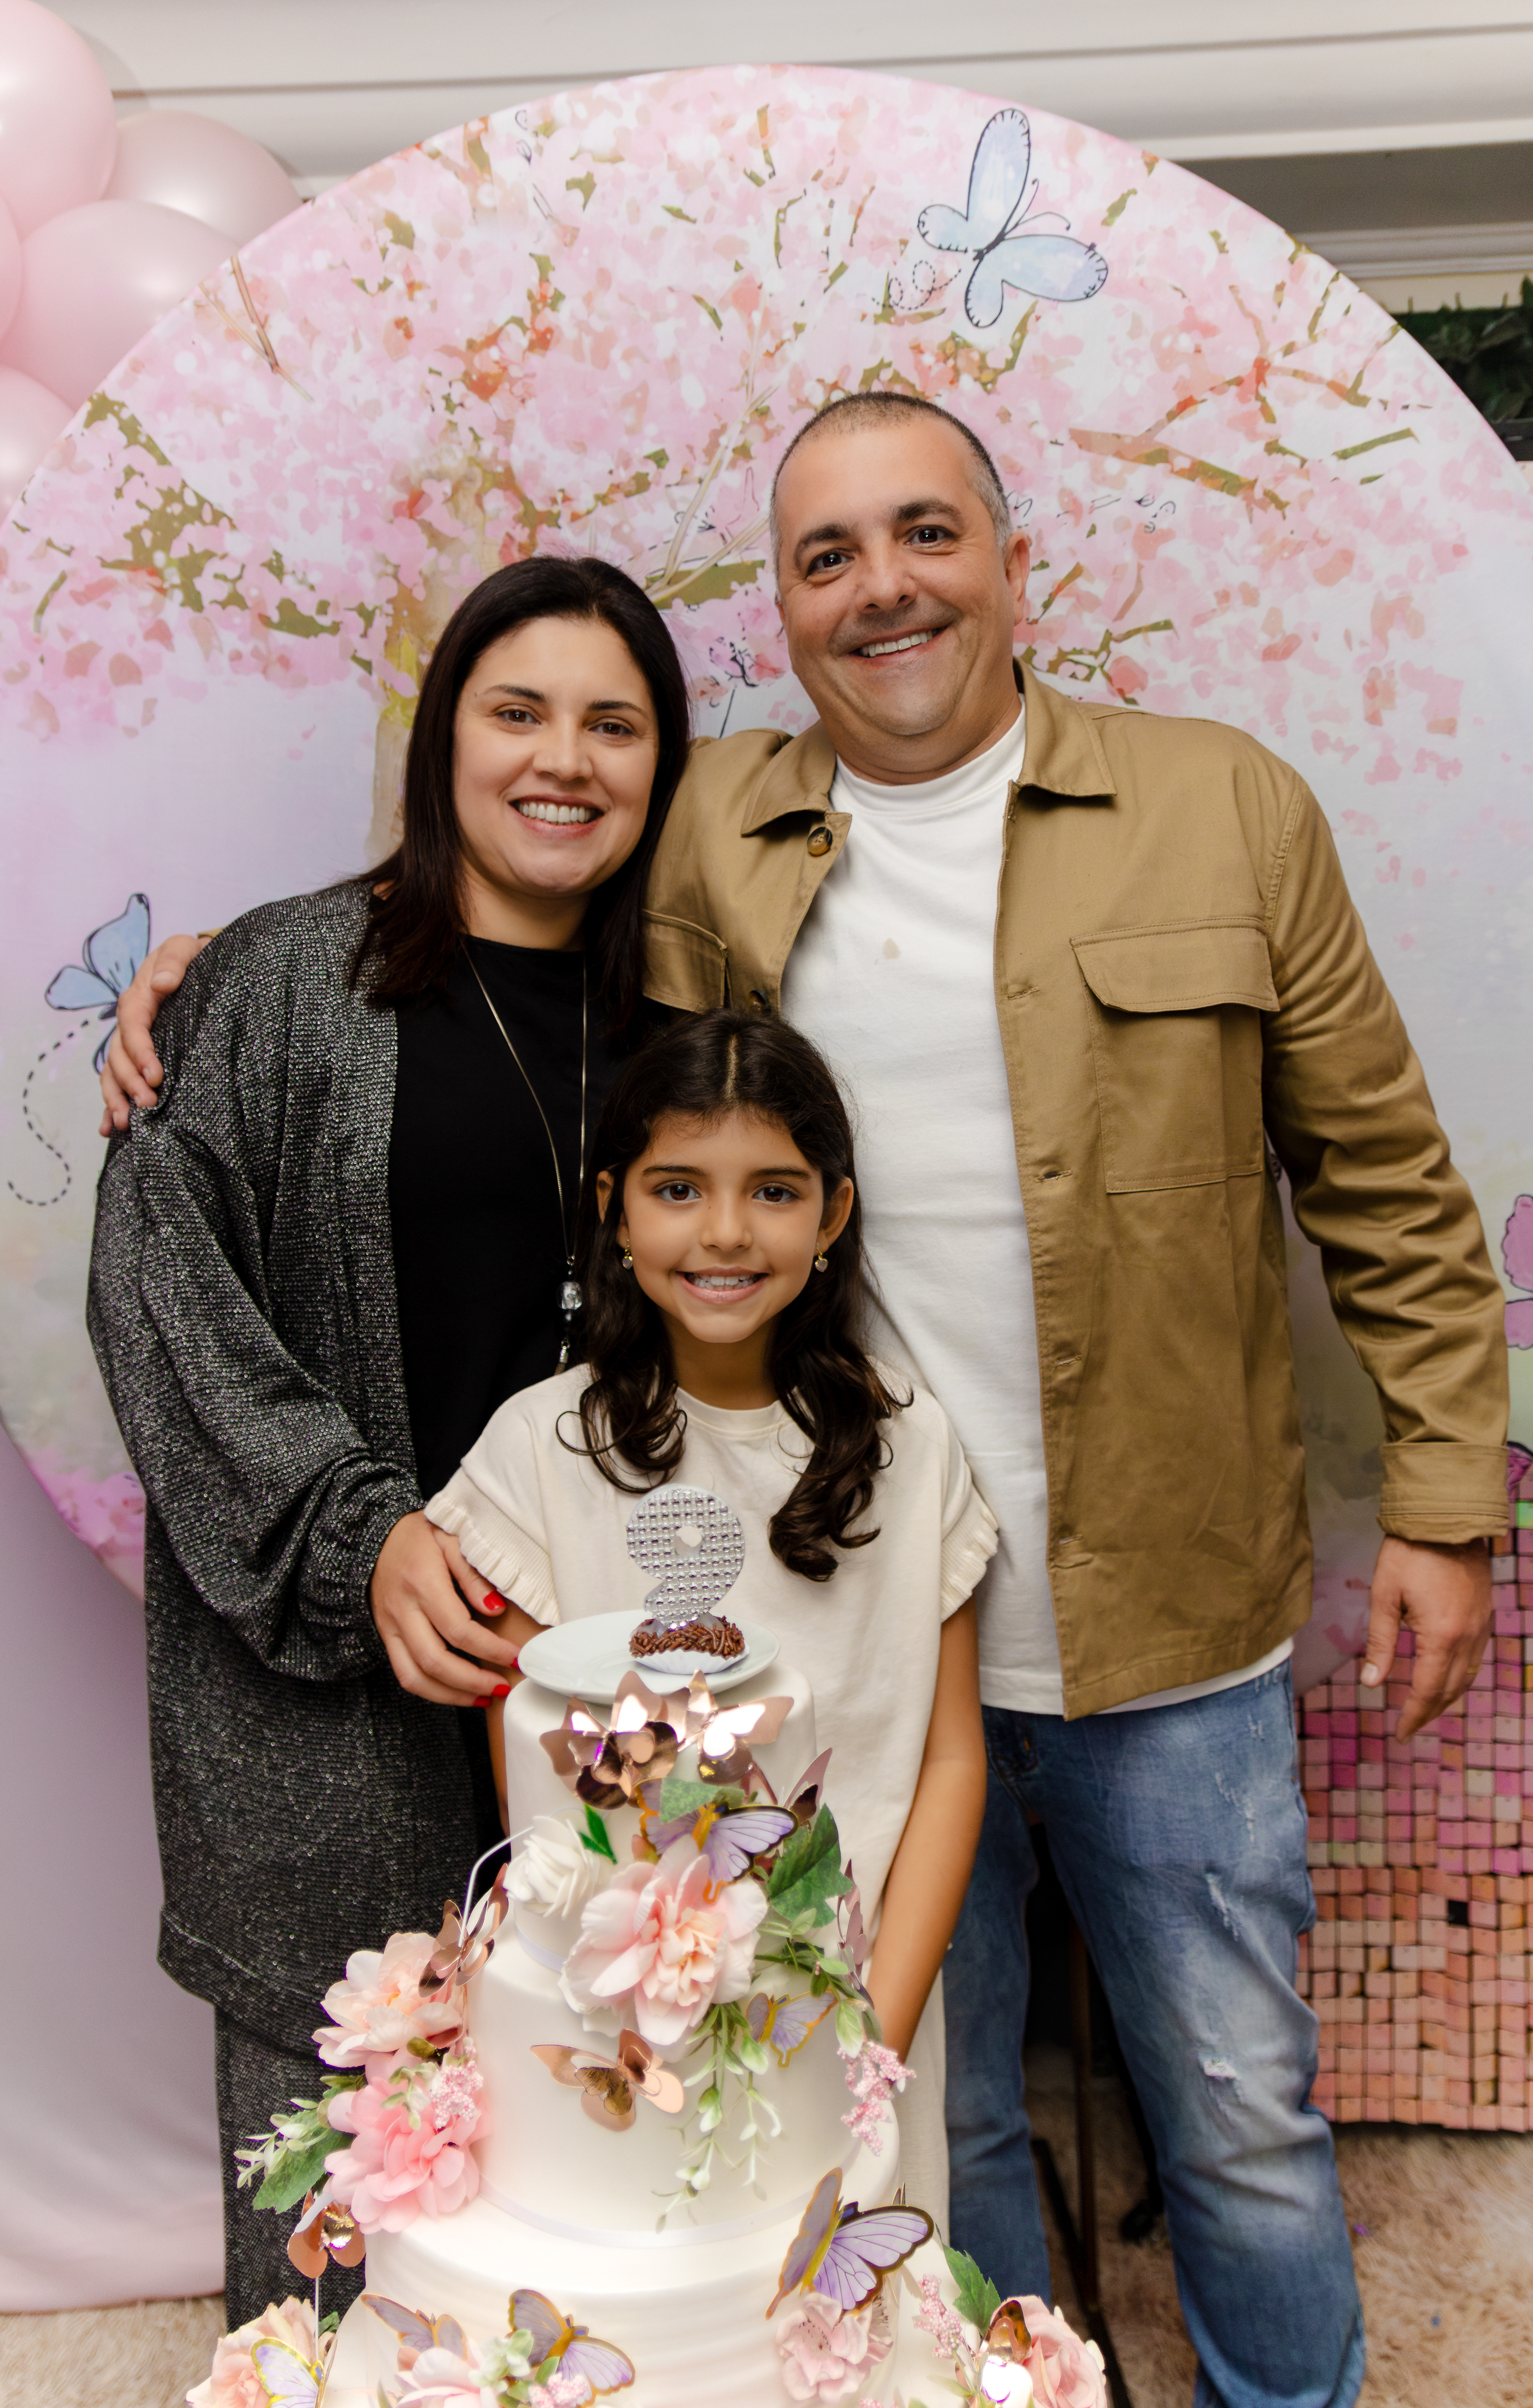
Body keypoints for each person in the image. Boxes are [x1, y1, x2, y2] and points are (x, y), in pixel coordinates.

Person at [104, 392, 1510, 2408]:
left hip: (1163, 1617)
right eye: (827, 556)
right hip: (840, 1637)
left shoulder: (1226, 808)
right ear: (779, 608)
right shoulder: (720, 829)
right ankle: (997, 2378)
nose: (885, 588)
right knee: (923, 2117)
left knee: (1244, 2112)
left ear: (1023, 564)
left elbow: (1379, 1170)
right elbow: (487, 869)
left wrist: (1447, 1505)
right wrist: (233, 965)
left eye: (928, 533)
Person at [86, 552, 690, 2328]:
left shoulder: (688, 1027)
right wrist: (360, 1534)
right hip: (329, 1714)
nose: (561, 758)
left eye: (614, 722)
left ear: (661, 769)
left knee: (597, 2226)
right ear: (443, 744)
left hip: (603, 1716)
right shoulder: (274, 986)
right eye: (517, 711)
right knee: (340, 2254)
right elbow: (159, 1291)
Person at [425, 1005, 993, 2217]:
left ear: (833, 1215)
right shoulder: (539, 1450)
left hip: (852, 2009)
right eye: (678, 1188)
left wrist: (869, 2039)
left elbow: (947, 1759)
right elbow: (541, 1792)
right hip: (615, 2031)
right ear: (613, 1209)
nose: (726, 1232)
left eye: (775, 1192)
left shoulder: (913, 1447)